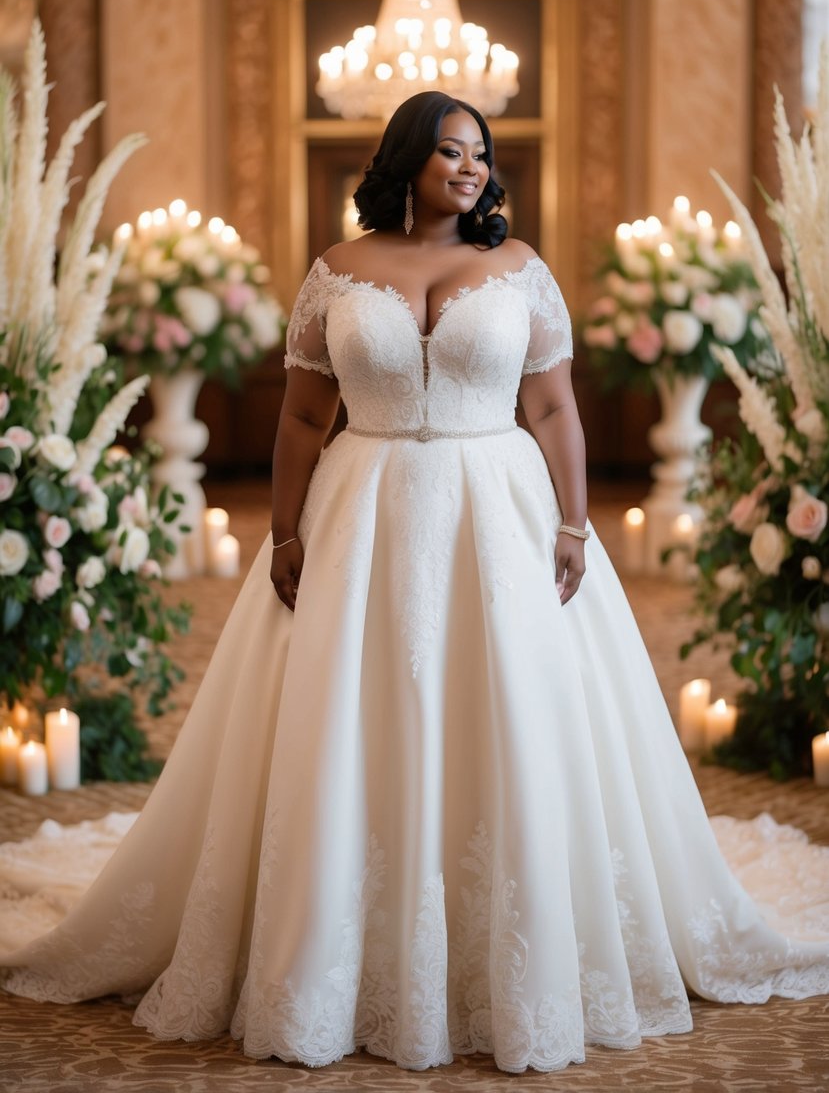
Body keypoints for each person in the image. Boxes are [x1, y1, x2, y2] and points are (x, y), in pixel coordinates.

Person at [0, 92, 827, 1075]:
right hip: (365, 509)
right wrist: (286, 529)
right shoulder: (337, 272)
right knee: (357, 713)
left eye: (480, 153)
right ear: (404, 161)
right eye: (448, 151)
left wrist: (572, 521)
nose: (470, 168)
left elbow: (556, 406)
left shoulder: (518, 270)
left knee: (509, 710)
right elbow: (303, 419)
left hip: (501, 512)